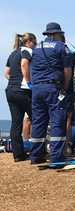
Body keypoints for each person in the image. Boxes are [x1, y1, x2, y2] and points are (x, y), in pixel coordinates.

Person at [30, 22, 72, 164]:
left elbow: (31, 68)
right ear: (55, 34)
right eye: (61, 34)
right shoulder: (62, 48)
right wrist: (65, 87)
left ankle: (36, 156)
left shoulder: (36, 48)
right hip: (53, 89)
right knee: (57, 121)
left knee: (38, 122)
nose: (62, 36)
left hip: (37, 89)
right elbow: (67, 70)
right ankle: (56, 156)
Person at [4, 33, 37, 162]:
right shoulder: (26, 50)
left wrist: (14, 80)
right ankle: (38, 150)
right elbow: (24, 64)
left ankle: (18, 155)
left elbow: (7, 73)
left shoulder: (13, 54)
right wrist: (28, 82)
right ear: (29, 42)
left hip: (10, 90)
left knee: (16, 123)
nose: (35, 46)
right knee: (37, 118)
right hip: (23, 91)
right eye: (35, 42)